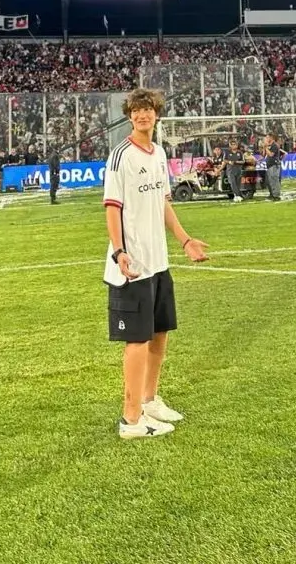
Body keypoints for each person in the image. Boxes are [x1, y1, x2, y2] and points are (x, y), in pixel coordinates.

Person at [103, 87, 208, 440]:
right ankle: (131, 421)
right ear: (129, 115)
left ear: (156, 114)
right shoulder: (121, 156)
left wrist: (185, 239)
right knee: (136, 340)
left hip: (158, 262)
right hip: (131, 265)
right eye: (136, 110)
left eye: (147, 109)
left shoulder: (159, 154)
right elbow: (112, 207)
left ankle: (149, 401)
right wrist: (120, 253)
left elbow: (164, 204)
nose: (142, 115)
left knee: (159, 334)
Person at [263, 132, 284, 201]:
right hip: (269, 165)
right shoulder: (270, 146)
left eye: (267, 137)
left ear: (271, 138)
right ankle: (272, 194)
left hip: (274, 165)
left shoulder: (275, 145)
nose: (266, 139)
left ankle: (276, 196)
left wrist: (266, 148)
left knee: (275, 181)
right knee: (271, 181)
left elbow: (271, 154)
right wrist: (264, 147)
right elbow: (264, 155)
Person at [224, 138, 244, 203]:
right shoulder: (227, 152)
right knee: (233, 183)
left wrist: (236, 162)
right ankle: (237, 195)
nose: (233, 146)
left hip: (238, 170)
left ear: (237, 145)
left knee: (238, 183)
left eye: (234, 144)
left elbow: (243, 161)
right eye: (232, 144)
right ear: (230, 145)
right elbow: (224, 160)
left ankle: (238, 195)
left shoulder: (240, 152)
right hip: (230, 170)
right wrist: (229, 162)